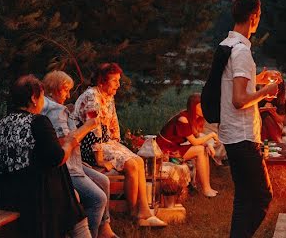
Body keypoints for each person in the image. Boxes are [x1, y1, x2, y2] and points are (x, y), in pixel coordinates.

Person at [0, 75, 92, 238]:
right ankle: (80, 228)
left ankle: (78, 221)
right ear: (33, 98)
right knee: (61, 177)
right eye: (42, 96)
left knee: (60, 181)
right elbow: (57, 158)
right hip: (32, 196)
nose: (44, 101)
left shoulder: (0, 124)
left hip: (4, 192)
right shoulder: (38, 122)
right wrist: (70, 143)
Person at [219, 0, 282, 238]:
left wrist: (256, 80)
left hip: (230, 133)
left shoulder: (227, 44)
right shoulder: (242, 51)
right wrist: (267, 91)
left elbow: (231, 84)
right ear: (254, 17)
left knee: (244, 198)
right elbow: (239, 100)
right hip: (243, 136)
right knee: (262, 197)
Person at [73, 63, 167, 228]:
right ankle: (134, 214)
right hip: (88, 147)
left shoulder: (108, 96)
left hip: (105, 142)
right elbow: (93, 130)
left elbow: (113, 124)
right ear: (102, 81)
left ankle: (144, 211)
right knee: (131, 164)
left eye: (118, 80)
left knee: (137, 160)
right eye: (114, 81)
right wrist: (100, 160)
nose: (118, 84)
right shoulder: (92, 96)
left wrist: (119, 146)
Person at [42, 71, 117, 238]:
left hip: (74, 162)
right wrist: (88, 126)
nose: (69, 95)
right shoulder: (55, 110)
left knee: (103, 180)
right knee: (98, 199)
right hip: (66, 168)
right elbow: (65, 143)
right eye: (66, 90)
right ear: (55, 89)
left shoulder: (48, 106)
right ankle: (91, 235)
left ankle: (105, 229)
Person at [157, 93, 220, 197]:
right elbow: (194, 142)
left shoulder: (195, 118)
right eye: (201, 106)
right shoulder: (183, 119)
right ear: (193, 107)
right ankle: (205, 189)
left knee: (202, 149)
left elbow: (197, 137)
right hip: (164, 150)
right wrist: (211, 135)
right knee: (199, 149)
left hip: (174, 147)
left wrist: (208, 145)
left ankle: (206, 187)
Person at [258, 76, 286, 142]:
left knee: (266, 116)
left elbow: (281, 119)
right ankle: (279, 142)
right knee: (264, 116)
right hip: (260, 125)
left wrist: (273, 112)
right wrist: (260, 111)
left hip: (276, 126)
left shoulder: (280, 99)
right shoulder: (257, 97)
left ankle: (264, 147)